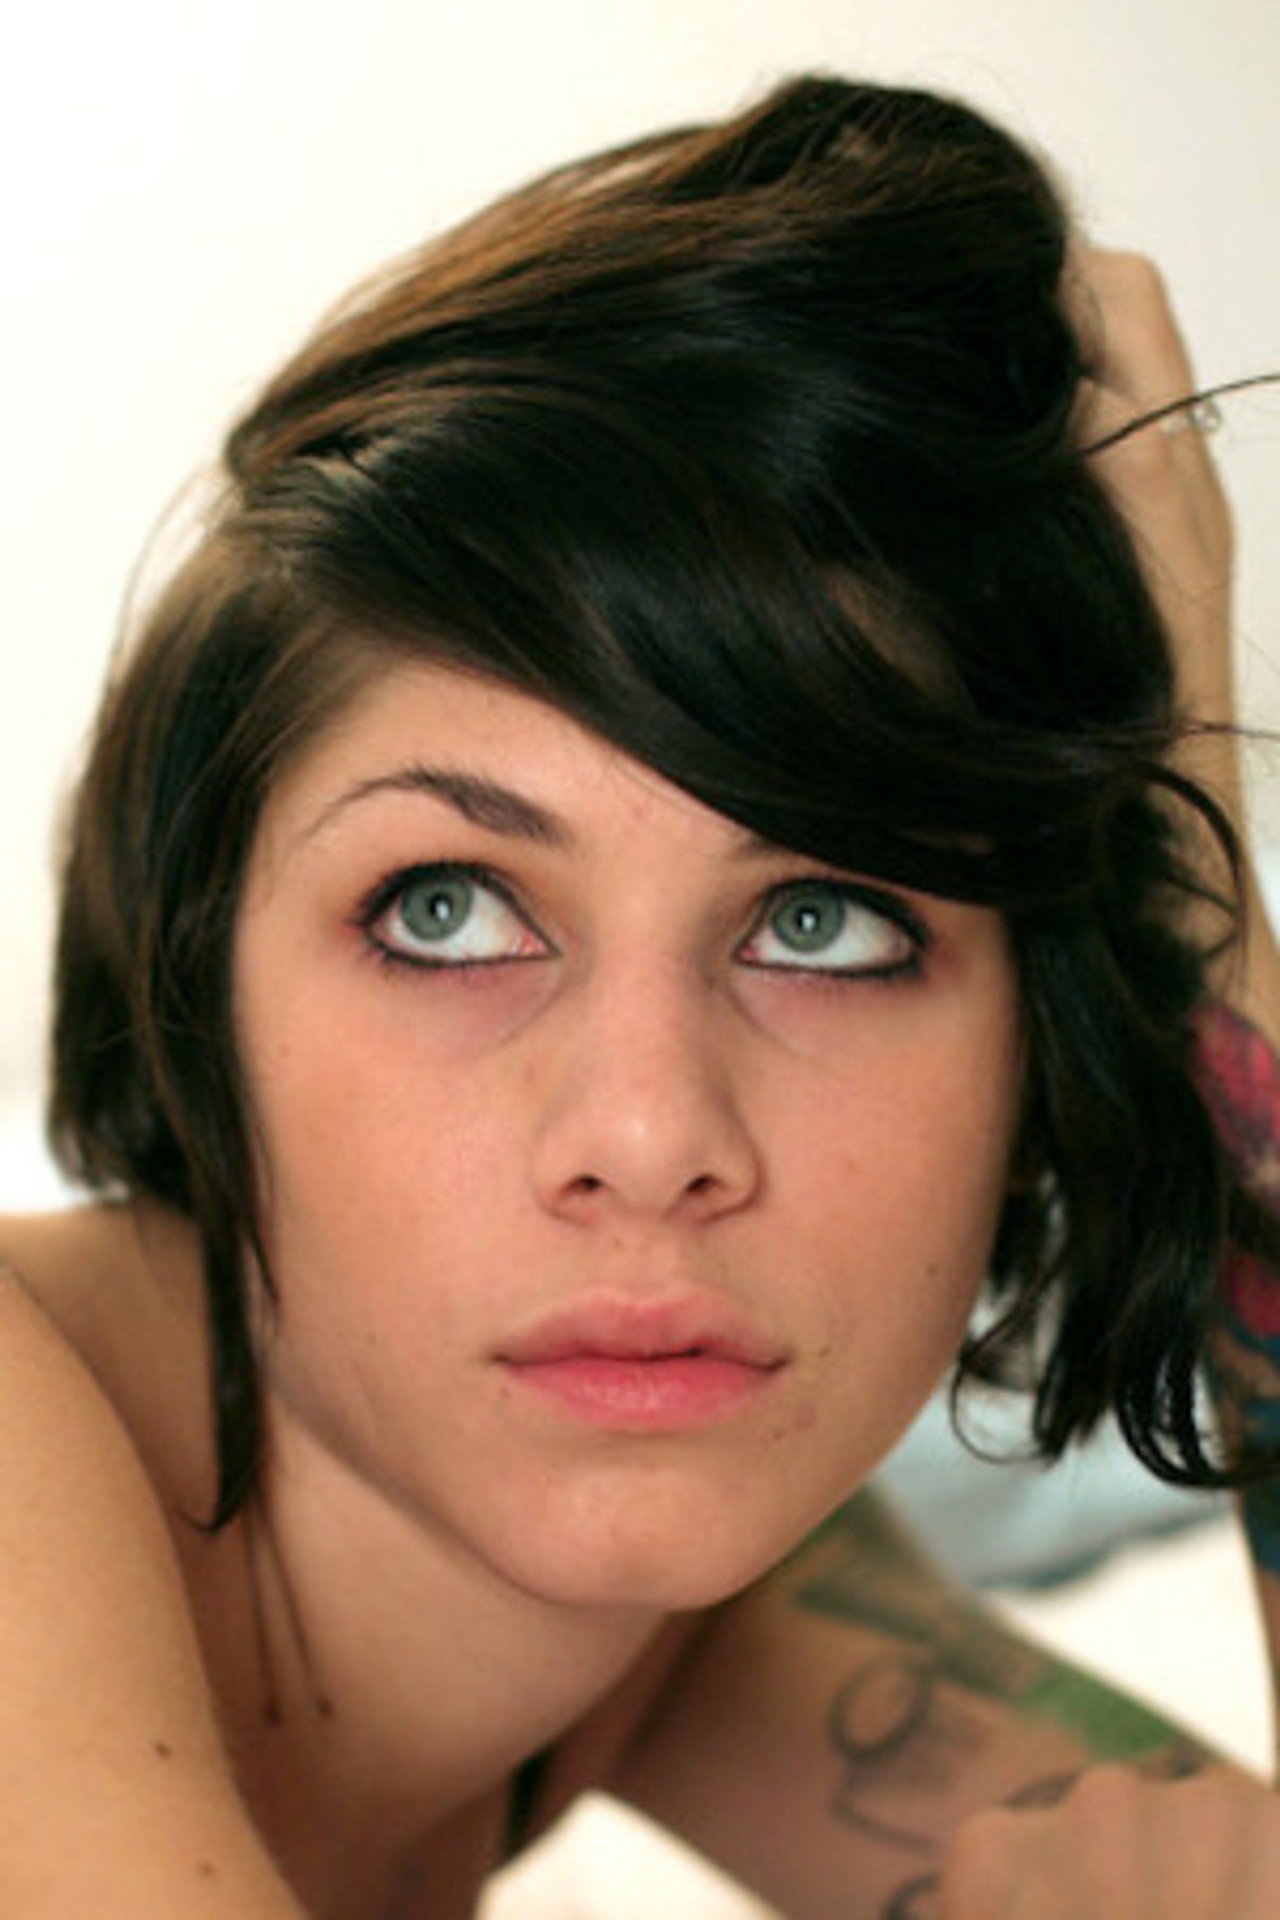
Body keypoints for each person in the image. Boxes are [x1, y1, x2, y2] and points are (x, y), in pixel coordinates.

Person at [1, 72, 1277, 1917]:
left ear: (1038, 1056)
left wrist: (1189, 861)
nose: (652, 1133)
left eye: (824, 924)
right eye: (447, 911)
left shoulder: (682, 1622)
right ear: (202, 990)